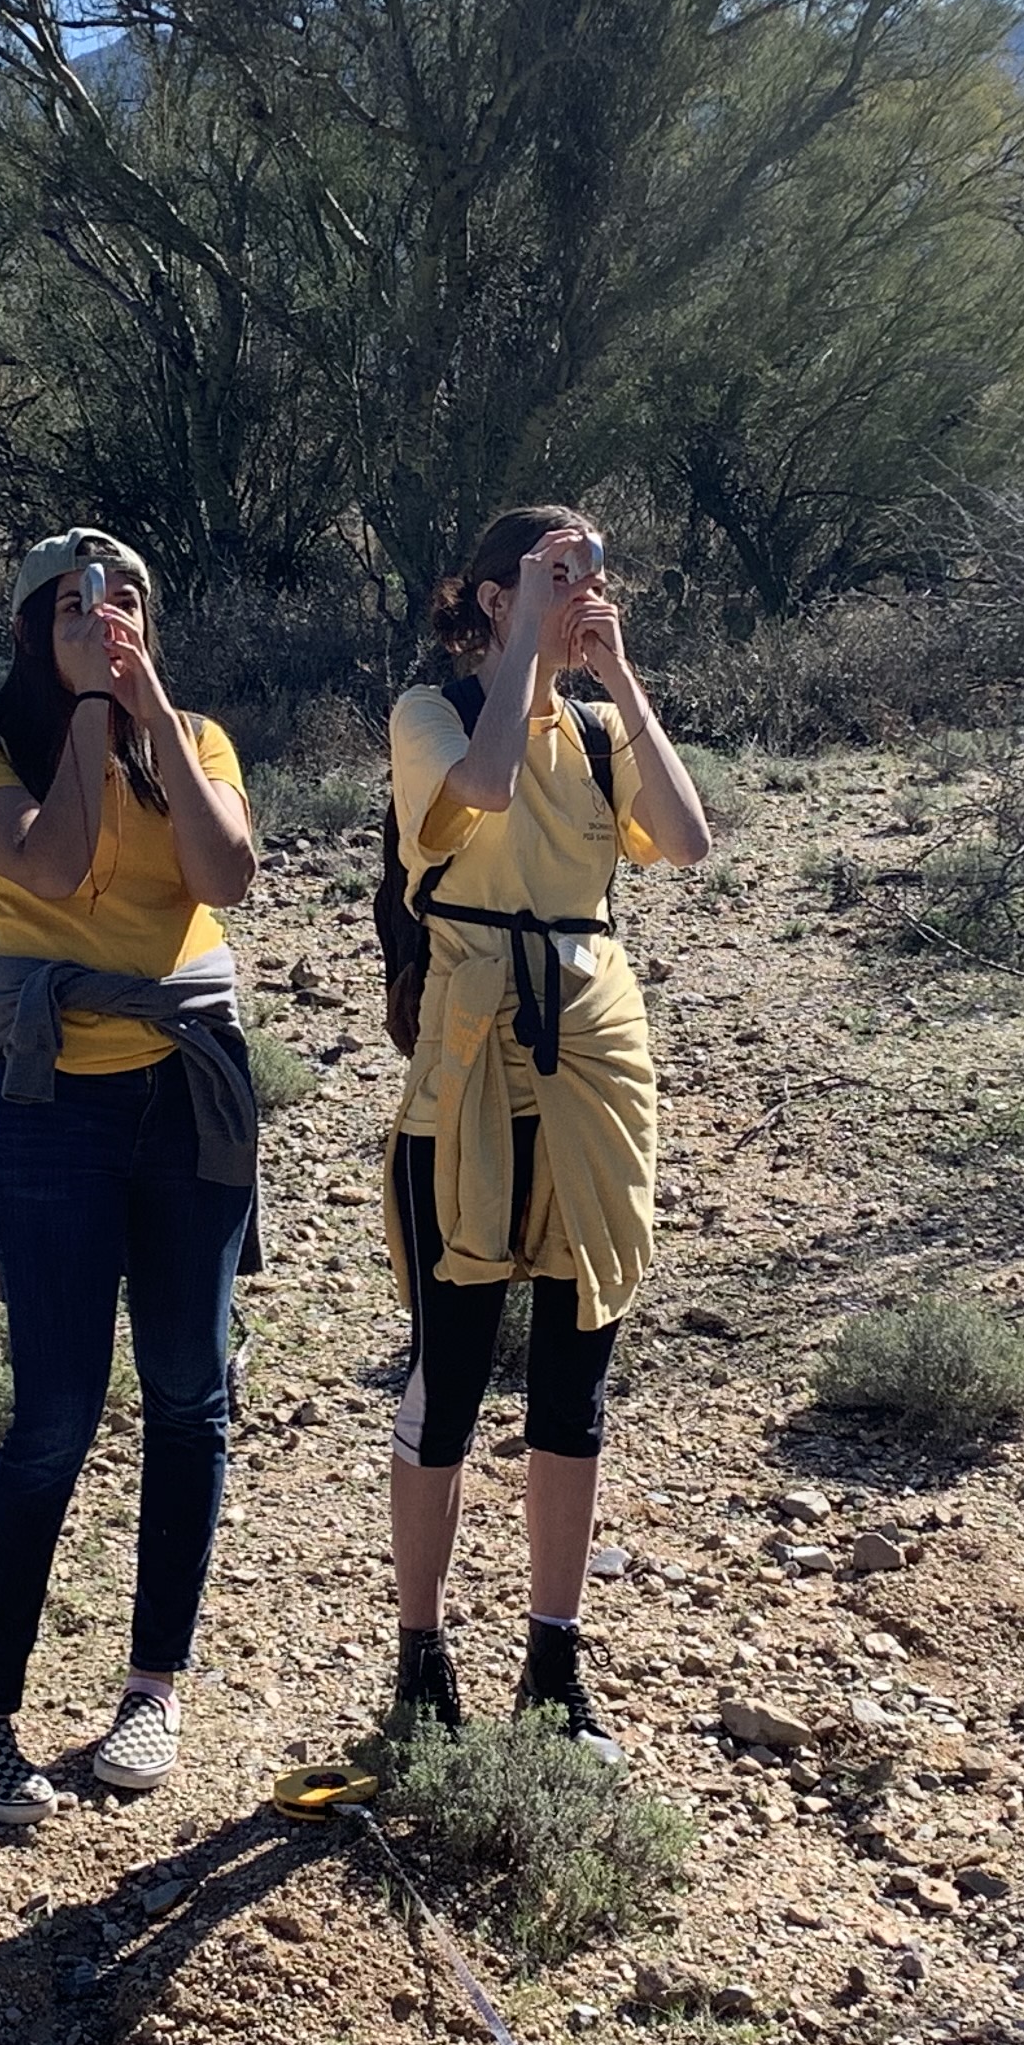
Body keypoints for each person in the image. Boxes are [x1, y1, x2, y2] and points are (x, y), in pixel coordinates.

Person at [0, 529, 261, 1824]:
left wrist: (149, 713)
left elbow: (227, 874)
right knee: (55, 1416)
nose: (103, 616)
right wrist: (79, 711)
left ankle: (153, 1688)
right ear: (28, 629)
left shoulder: (196, 739)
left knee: (189, 1394)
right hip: (50, 1101)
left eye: (122, 598)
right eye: (74, 604)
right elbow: (56, 866)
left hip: (187, 1098)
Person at [379, 505, 714, 1755]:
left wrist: (616, 668)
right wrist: (525, 635)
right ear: (483, 590)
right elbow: (482, 792)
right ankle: (421, 1660)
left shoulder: (598, 718)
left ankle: (554, 1665)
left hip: (595, 1045)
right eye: (550, 572)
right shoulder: (434, 714)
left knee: (576, 1374)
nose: (576, 589)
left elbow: (683, 838)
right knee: (451, 1367)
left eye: (587, 573)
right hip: (469, 1047)